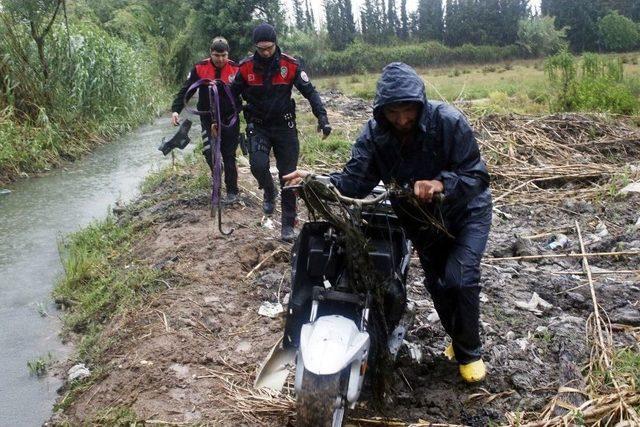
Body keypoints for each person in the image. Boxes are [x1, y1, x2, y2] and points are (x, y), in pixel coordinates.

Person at [284, 62, 492, 383]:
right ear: (383, 111)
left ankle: (470, 352)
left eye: (408, 109)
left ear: (419, 103)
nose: (402, 119)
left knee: (460, 279)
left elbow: (477, 177)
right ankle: (458, 337)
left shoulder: (448, 123)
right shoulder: (375, 135)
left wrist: (441, 184)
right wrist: (318, 181)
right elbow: (355, 182)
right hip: (421, 224)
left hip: (465, 214)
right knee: (438, 284)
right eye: (393, 112)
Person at [231, 23, 331, 242]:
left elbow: (310, 92)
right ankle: (268, 189)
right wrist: (226, 115)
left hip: (285, 126)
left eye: (270, 47)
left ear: (276, 43)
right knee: (257, 164)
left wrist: (322, 117)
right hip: (258, 126)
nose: (266, 52)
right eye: (261, 48)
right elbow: (231, 96)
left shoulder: (290, 65)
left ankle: (288, 223)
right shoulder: (245, 68)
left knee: (289, 176)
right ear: (255, 47)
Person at [171, 36, 240, 204]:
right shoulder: (200, 68)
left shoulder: (235, 68)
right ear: (211, 53)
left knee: (229, 156)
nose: (220, 59)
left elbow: (247, 92)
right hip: (207, 118)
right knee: (210, 153)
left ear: (227, 54)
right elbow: (186, 89)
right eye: (217, 55)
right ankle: (217, 171)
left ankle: (232, 192)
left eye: (224, 55)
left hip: (230, 119)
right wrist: (175, 110)